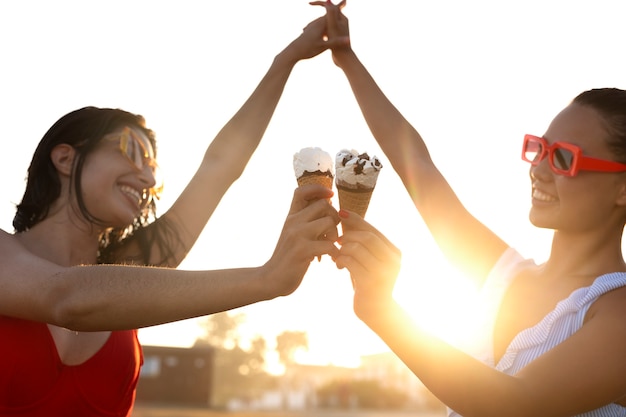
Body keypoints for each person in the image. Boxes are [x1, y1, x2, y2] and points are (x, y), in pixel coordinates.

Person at [0, 13, 343, 417]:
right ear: (64, 156)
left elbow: (220, 168)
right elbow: (67, 298)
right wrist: (266, 278)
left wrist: (288, 59)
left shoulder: (135, 273)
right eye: (131, 150)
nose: (145, 177)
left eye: (152, 167)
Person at [315, 1, 626, 416]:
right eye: (539, 150)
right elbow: (418, 167)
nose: (539, 170)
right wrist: (347, 59)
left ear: (622, 188)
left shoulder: (617, 313)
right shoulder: (504, 275)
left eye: (563, 158)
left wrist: (385, 313)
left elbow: (515, 403)